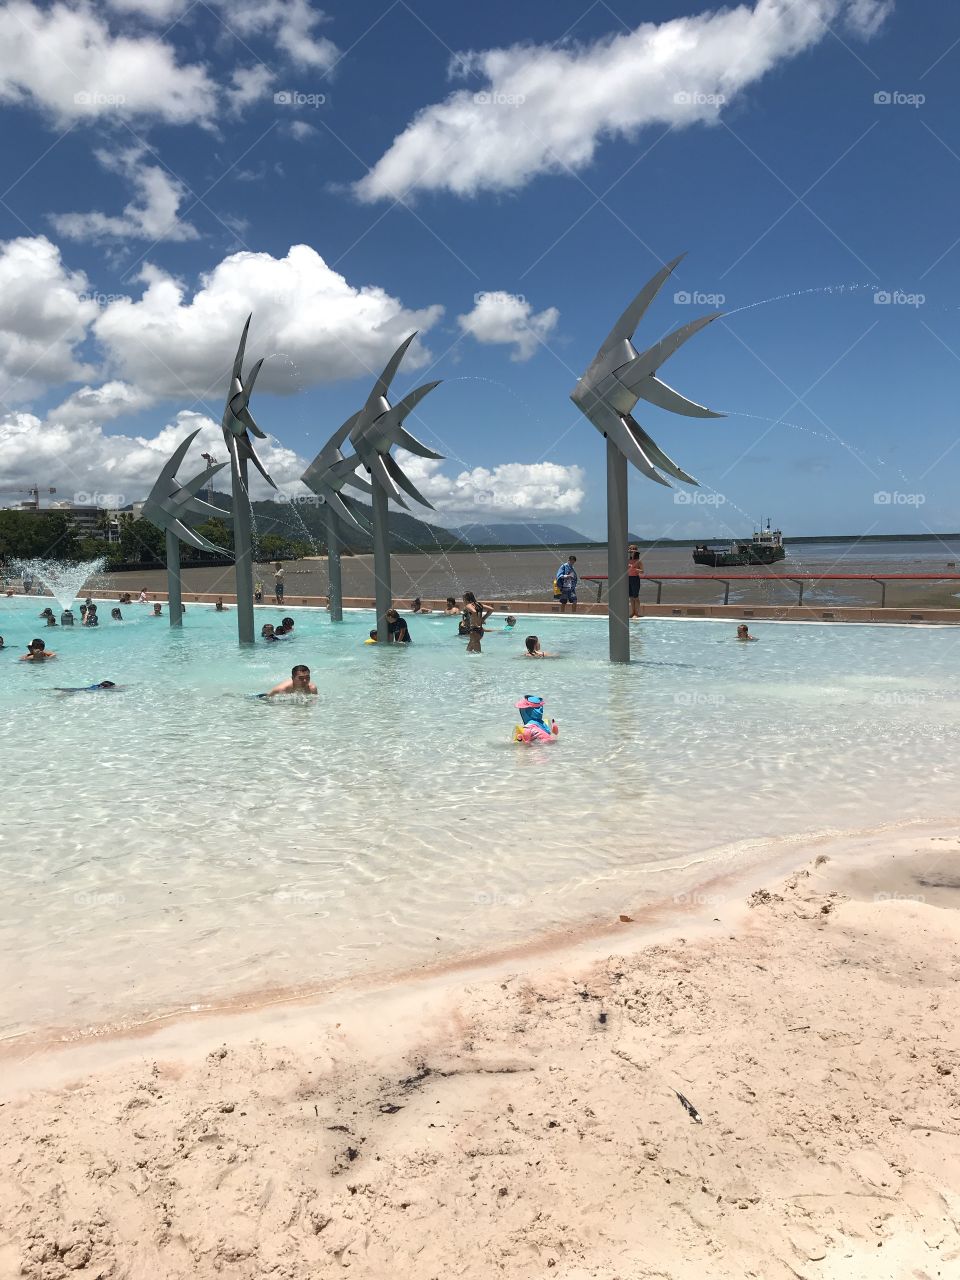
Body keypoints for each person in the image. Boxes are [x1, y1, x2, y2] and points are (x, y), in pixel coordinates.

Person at [628, 546, 644, 619]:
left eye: (633, 552)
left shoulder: (638, 561)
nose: (631, 553)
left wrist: (634, 568)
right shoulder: (627, 560)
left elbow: (642, 571)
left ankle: (636, 613)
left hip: (635, 579)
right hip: (628, 579)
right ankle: (633, 612)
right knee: (631, 597)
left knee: (636, 597)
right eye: (630, 552)